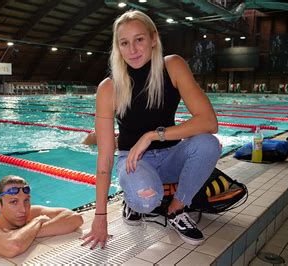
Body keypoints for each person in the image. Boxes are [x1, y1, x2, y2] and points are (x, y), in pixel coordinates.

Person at [81, 10, 221, 249]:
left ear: (153, 39)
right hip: (134, 161)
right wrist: (100, 217)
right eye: (124, 43)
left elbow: (209, 122)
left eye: (139, 39)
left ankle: (176, 209)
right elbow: (104, 158)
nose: (133, 49)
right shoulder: (109, 88)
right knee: (145, 201)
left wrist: (153, 135)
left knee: (208, 144)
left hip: (171, 157)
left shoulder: (173, 66)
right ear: (118, 47)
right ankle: (131, 198)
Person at [0, 175, 84, 258]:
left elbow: (75, 218)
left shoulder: (32, 211)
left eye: (26, 200)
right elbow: (13, 246)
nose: (23, 209)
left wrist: (28, 233)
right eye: (14, 202)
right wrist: (37, 221)